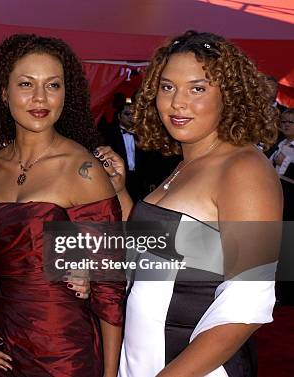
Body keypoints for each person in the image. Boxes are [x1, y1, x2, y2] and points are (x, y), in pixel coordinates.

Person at [95, 30, 282, 376]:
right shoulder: (184, 165)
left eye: (197, 89)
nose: (177, 102)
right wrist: (119, 193)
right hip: (139, 361)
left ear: (229, 95)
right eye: (167, 87)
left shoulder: (244, 170)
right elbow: (154, 254)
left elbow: (249, 301)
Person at [0, 34, 126, 377]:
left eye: (53, 85)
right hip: (0, 343)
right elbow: (6, 265)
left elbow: (110, 288)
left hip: (63, 349)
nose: (40, 98)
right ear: (3, 92)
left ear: (66, 94)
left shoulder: (83, 171)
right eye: (26, 84)